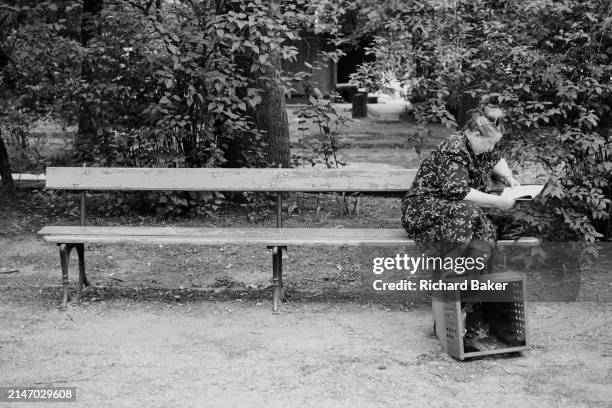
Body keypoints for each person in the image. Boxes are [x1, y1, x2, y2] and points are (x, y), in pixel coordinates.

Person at [401, 105, 520, 272]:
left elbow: (496, 158)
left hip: (456, 209)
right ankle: (452, 277)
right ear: (476, 135)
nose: (492, 148)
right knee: (470, 211)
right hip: (423, 209)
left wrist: (508, 177)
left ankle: (472, 284)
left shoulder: (481, 146)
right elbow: (460, 192)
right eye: (491, 143)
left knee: (488, 224)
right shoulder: (454, 148)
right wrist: (498, 201)